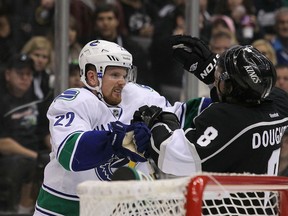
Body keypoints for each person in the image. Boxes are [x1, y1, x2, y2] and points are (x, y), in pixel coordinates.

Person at [33, 39, 176, 216]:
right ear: (92, 77)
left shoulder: (139, 96)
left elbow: (182, 116)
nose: (123, 82)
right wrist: (122, 140)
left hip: (119, 208)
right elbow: (70, 154)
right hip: (65, 206)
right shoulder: (73, 101)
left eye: (125, 75)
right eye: (115, 75)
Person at [134, 35, 288, 177]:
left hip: (230, 206)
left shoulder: (228, 119)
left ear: (230, 87)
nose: (215, 76)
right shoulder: (279, 106)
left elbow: (172, 157)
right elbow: (262, 90)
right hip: (265, 205)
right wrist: (214, 70)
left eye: (219, 75)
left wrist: (159, 122)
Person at [0, 54, 50, 214]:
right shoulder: (2, 103)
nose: (25, 78)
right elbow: (3, 143)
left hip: (35, 153)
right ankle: (21, 209)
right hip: (11, 157)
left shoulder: (36, 102)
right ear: (8, 75)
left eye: (28, 74)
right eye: (20, 74)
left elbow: (45, 133)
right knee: (26, 163)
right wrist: (35, 156)